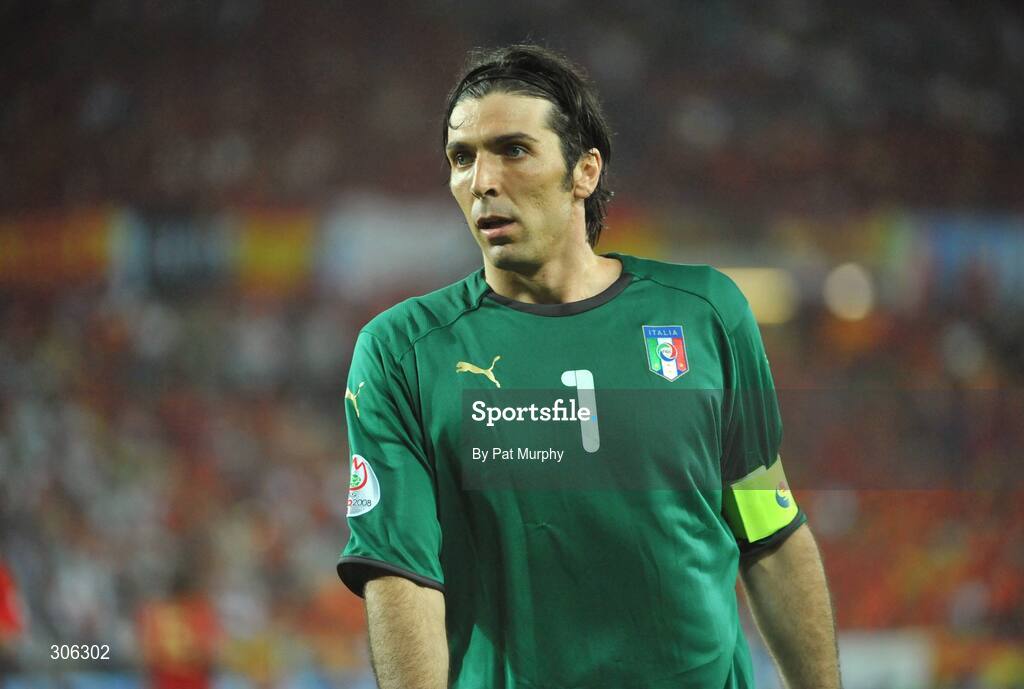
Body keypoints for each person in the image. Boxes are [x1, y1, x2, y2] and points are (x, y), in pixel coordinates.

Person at [337, 44, 841, 689]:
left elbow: (768, 530)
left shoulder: (706, 313)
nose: (482, 180)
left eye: (513, 150)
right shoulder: (402, 351)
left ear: (584, 171)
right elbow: (400, 575)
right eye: (462, 158)